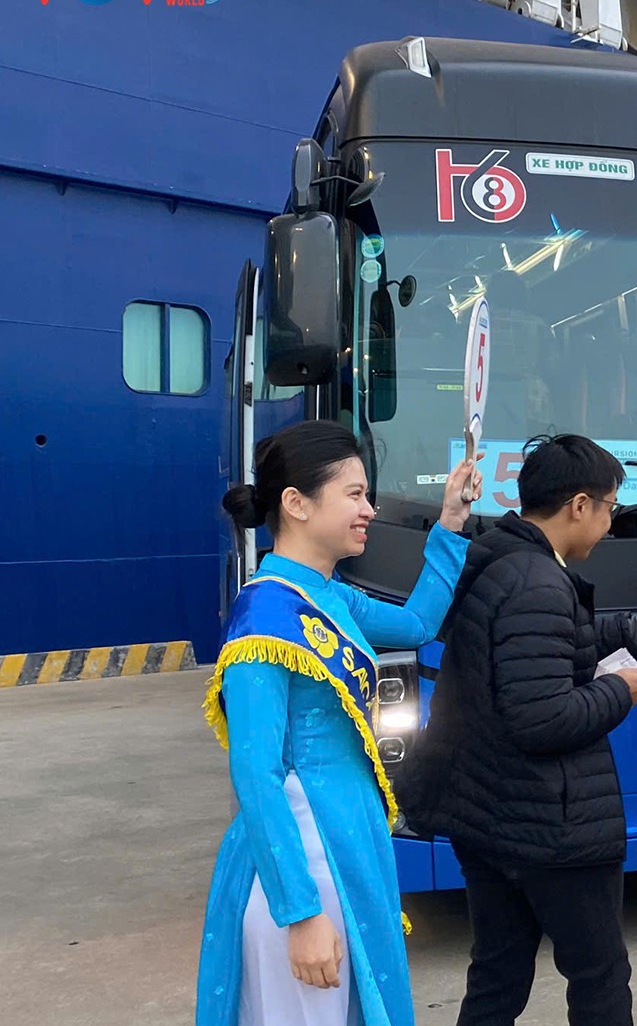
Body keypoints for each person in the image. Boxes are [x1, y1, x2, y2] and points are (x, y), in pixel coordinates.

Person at [399, 434, 637, 1026]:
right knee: (598, 977)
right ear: (579, 505)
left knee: (498, 973)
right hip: (550, 827)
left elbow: (551, 641)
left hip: (489, 815)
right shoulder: (538, 583)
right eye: (610, 507)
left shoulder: (500, 558)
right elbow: (541, 718)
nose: (610, 524)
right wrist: (620, 690)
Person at [196, 420, 481, 1026]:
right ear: (296, 504)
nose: (369, 510)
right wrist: (299, 914)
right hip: (306, 855)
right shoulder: (264, 618)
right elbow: (255, 774)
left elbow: (416, 626)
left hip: (350, 839)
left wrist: (451, 520)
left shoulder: (329, 595)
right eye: (354, 494)